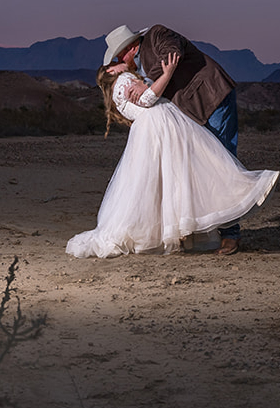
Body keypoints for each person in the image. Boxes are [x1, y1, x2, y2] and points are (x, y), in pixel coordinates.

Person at [66, 49, 277, 258]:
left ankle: (176, 231)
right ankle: (245, 188)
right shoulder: (123, 80)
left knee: (164, 180)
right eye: (116, 61)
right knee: (200, 164)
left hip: (154, 130)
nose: (121, 61)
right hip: (161, 126)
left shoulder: (116, 90)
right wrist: (167, 74)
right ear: (111, 71)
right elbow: (147, 99)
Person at [100, 23, 250, 254]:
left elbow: (173, 53)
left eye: (119, 55)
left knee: (222, 160)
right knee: (196, 167)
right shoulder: (132, 72)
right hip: (189, 115)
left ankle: (231, 233)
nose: (119, 60)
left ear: (129, 48)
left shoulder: (157, 35)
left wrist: (147, 84)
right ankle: (202, 227)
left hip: (212, 97)